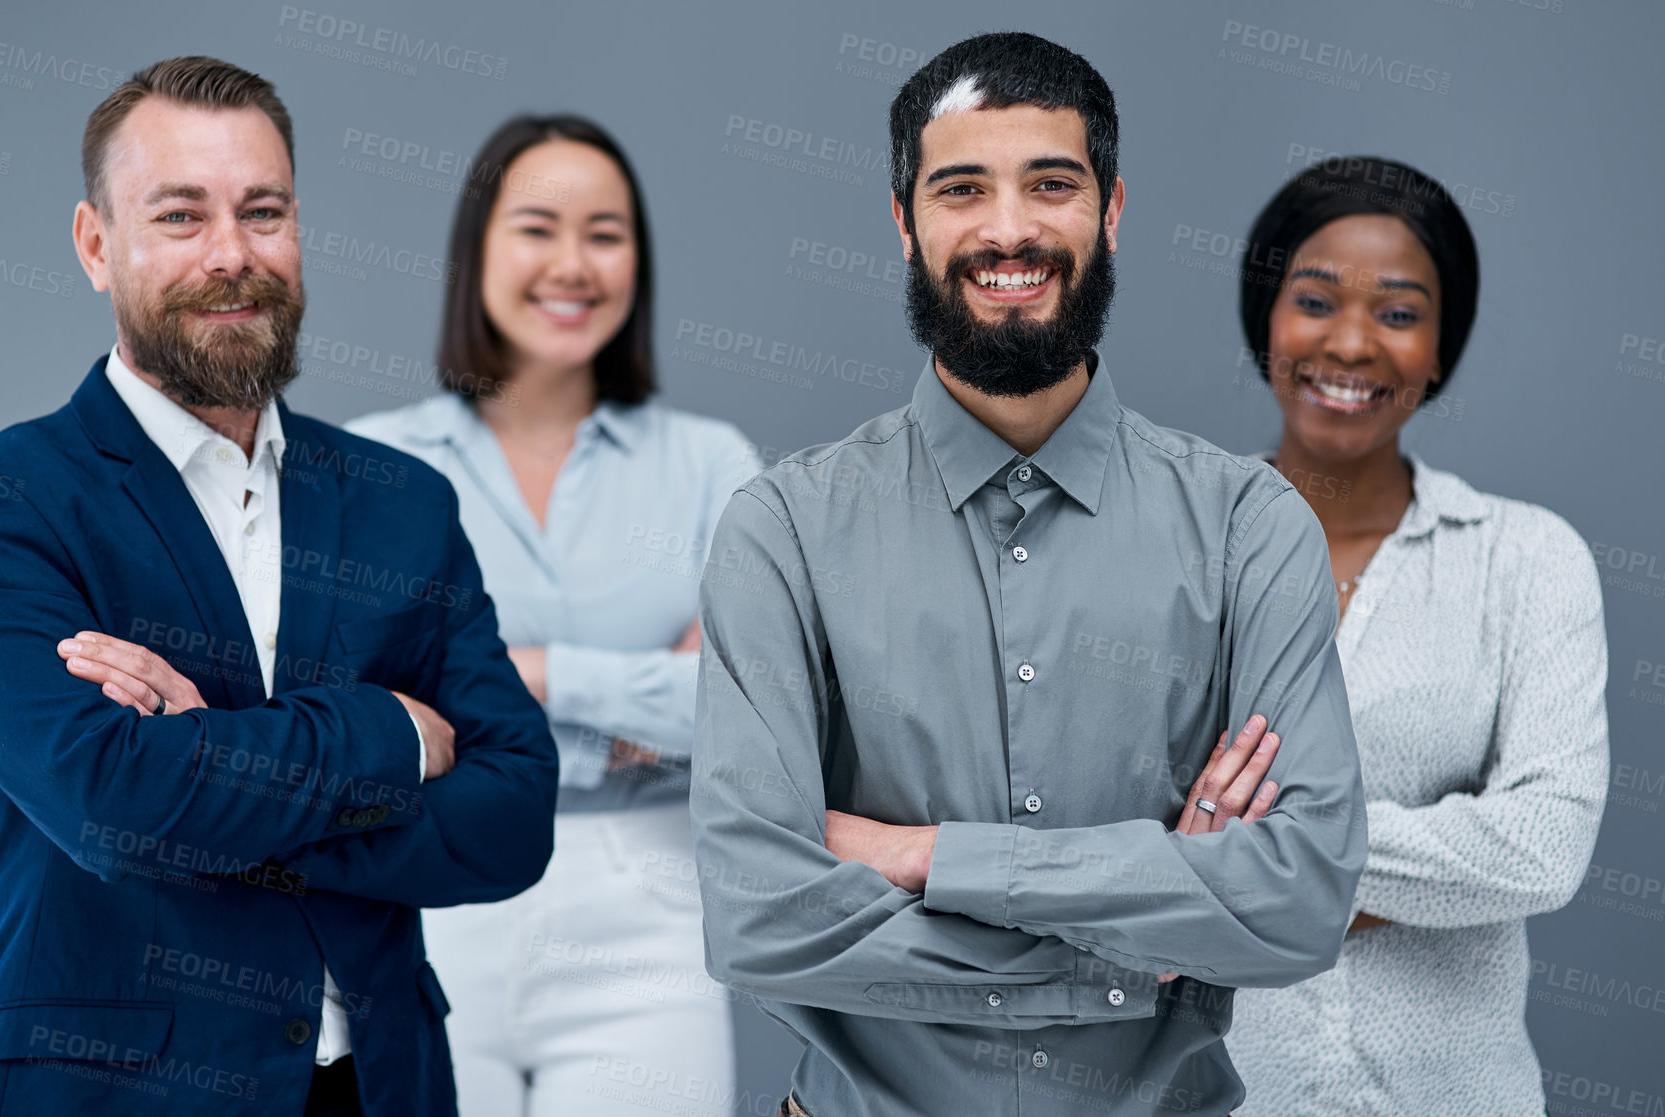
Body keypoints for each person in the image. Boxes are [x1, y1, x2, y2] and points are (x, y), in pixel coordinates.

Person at [689, 31, 1368, 1117]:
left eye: (1051, 183)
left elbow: (1301, 901)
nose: (1009, 229)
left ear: (1112, 210)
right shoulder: (783, 530)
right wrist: (1128, 942)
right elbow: (759, 917)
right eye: (962, 188)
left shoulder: (1251, 527)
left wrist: (926, 857)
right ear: (905, 223)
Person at [0, 56, 558, 1117]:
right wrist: (385, 736)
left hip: (381, 1087)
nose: (232, 256)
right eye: (180, 215)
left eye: (264, 212)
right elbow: (111, 804)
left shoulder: (406, 502)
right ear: (95, 245)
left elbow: (514, 816)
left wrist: (204, 768)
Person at [348, 115, 758, 1116]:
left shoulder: (713, 468)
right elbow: (351, 706)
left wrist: (523, 676)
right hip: (426, 894)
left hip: (652, 911)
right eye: (538, 227)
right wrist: (639, 709)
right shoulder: (370, 466)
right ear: (476, 248)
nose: (573, 264)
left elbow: (752, 709)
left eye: (606, 234)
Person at [1221, 156, 1609, 1116]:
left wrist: (1276, 860)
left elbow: (1544, 844)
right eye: (1314, 301)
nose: (1351, 344)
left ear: (1441, 348)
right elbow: (1116, 827)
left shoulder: (1526, 559)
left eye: (1398, 313)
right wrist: (1410, 870)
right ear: (1267, 321)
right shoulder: (1168, 545)